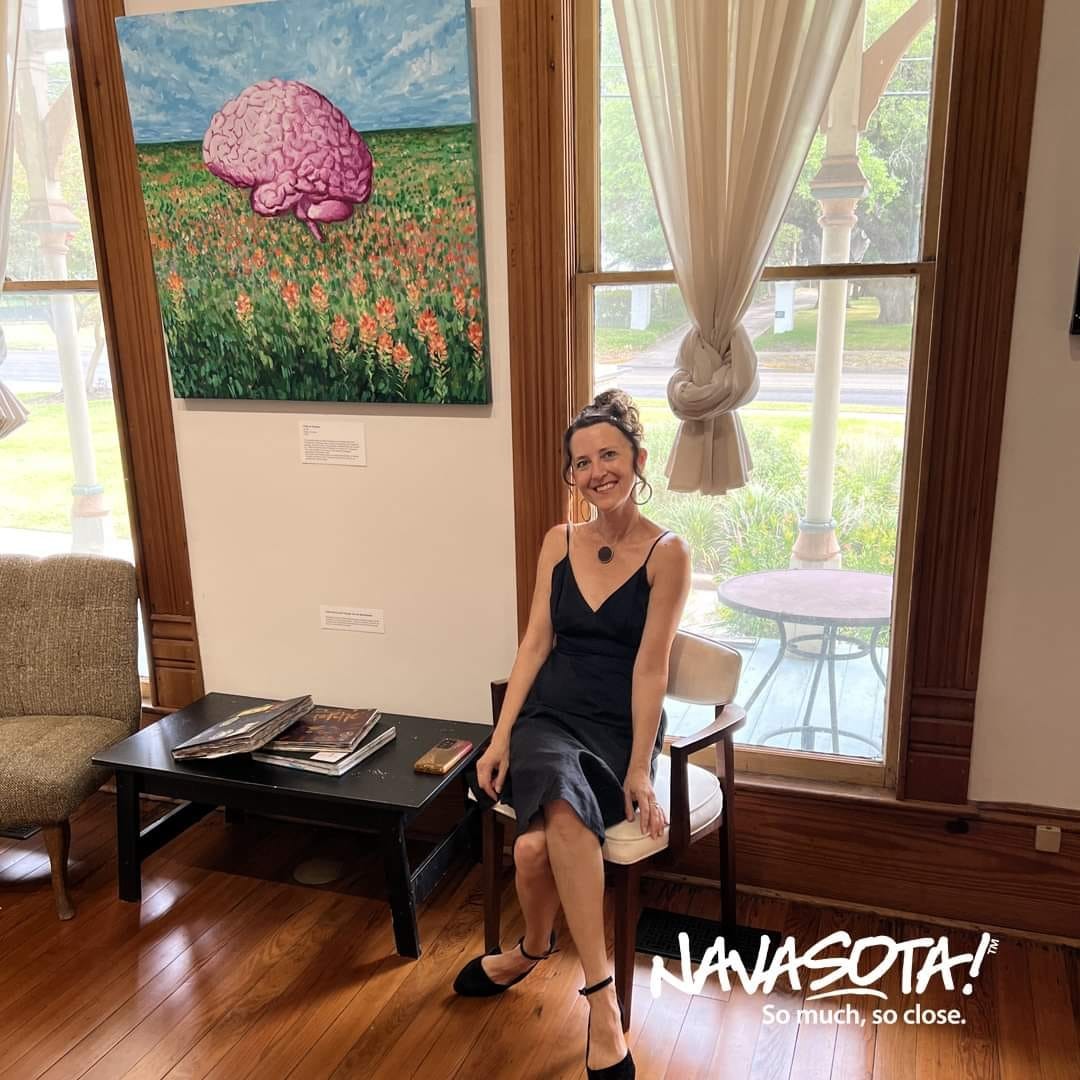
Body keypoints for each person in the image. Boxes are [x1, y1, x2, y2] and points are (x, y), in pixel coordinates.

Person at [453, 390, 691, 1080]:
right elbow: (534, 644)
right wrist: (500, 737)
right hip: (549, 718)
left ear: (638, 459)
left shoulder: (668, 552)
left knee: (533, 851)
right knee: (559, 800)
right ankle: (602, 1000)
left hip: (618, 726)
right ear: (572, 475)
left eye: (609, 455)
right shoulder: (558, 541)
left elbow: (651, 668)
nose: (596, 472)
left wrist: (641, 767)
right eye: (582, 462)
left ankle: (531, 950)